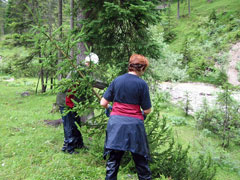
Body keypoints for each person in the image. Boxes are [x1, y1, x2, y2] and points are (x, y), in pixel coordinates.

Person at [100, 54, 152, 180]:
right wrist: (141, 114)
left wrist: (110, 109)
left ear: (130, 66)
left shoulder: (117, 80)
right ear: (142, 68)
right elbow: (147, 110)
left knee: (113, 162)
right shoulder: (142, 84)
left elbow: (103, 103)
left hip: (116, 125)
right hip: (134, 127)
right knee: (141, 161)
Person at [56, 53, 107, 154]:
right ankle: (68, 147)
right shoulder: (79, 71)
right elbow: (92, 82)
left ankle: (78, 144)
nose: (94, 67)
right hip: (66, 101)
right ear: (88, 63)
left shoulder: (85, 71)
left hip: (74, 103)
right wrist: (107, 85)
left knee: (76, 123)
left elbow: (92, 82)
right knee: (69, 125)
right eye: (93, 64)